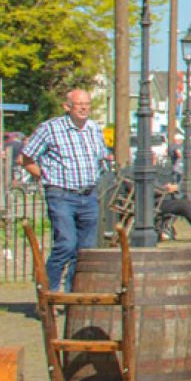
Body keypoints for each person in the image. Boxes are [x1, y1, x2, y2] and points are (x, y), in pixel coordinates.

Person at [20, 89, 110, 292]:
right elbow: (26, 158)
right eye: (79, 104)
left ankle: (73, 294)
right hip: (61, 195)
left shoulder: (94, 129)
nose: (84, 108)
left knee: (85, 250)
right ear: (67, 107)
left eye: (87, 104)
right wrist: (46, 177)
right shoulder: (51, 129)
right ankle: (48, 291)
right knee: (66, 244)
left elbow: (101, 158)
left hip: (88, 195)